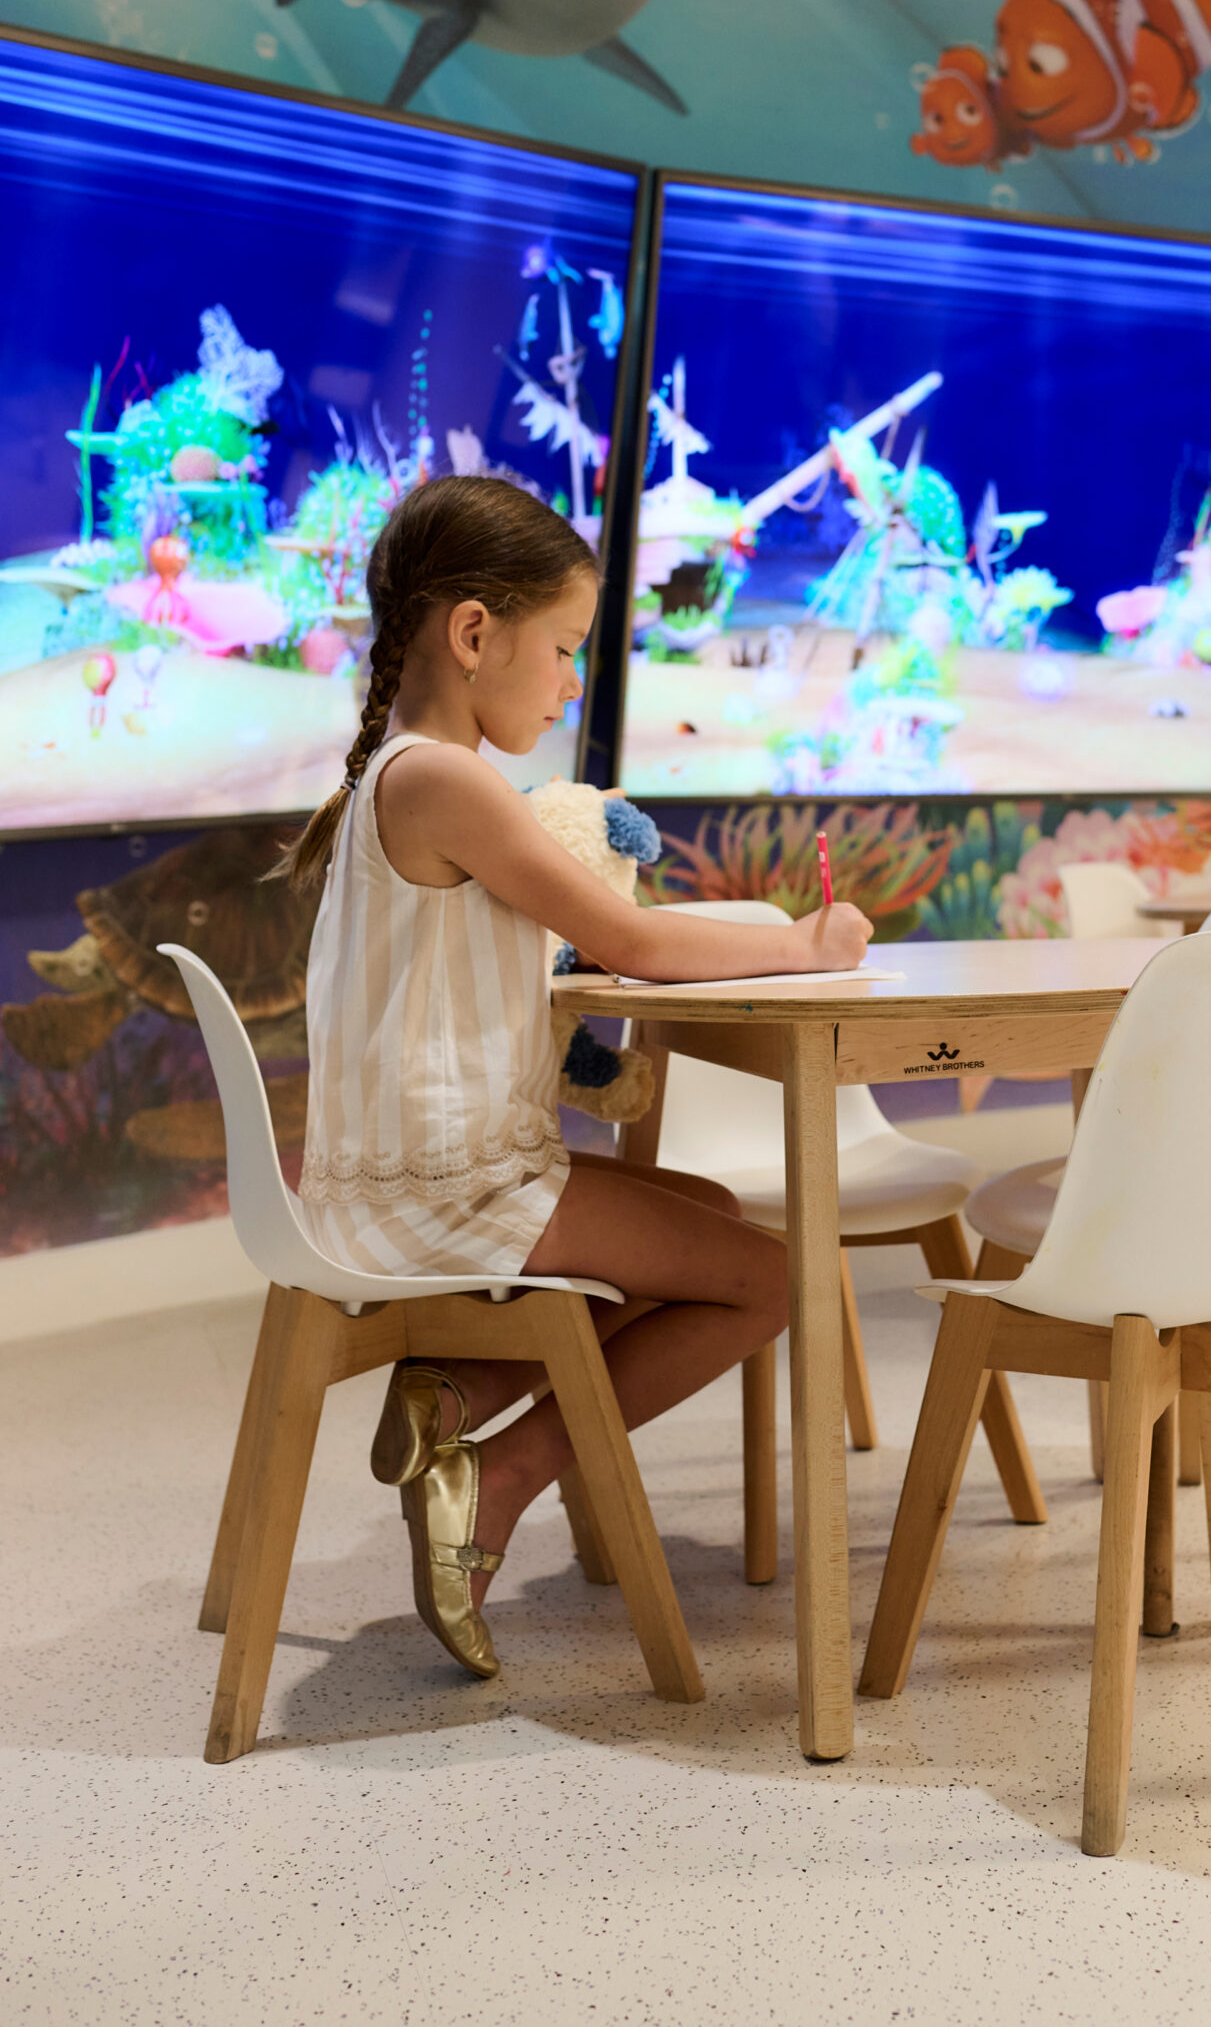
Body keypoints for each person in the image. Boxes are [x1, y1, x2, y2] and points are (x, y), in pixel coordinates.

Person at [279, 475, 872, 1677]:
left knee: (706, 1216)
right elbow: (634, 944)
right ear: (473, 632)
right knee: (773, 1277)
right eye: (561, 648)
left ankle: (454, 1391)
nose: (567, 682)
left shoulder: (393, 773)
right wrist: (804, 947)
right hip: (441, 1188)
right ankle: (499, 1478)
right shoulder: (446, 780)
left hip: (391, 1180)